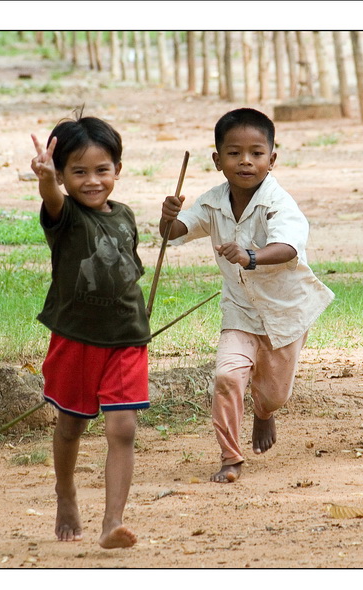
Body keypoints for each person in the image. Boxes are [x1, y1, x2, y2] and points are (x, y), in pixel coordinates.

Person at [159, 108, 334, 482]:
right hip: (239, 310)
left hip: (284, 310)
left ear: (272, 159)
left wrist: (250, 255)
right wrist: (167, 215)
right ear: (218, 159)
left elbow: (287, 248)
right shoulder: (212, 202)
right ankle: (230, 457)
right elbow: (174, 232)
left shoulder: (279, 202)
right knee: (226, 376)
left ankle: (264, 414)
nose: (245, 161)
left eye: (256, 153)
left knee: (274, 394)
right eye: (235, 153)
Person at [30, 112, 150, 548]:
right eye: (78, 172)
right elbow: (52, 199)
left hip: (127, 339)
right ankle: (66, 493)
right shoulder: (64, 217)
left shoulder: (126, 216)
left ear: (118, 169)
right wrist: (45, 179)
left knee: (123, 428)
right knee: (71, 427)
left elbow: (128, 269)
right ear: (62, 176)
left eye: (102, 169)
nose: (92, 180)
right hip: (76, 339)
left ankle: (112, 522)